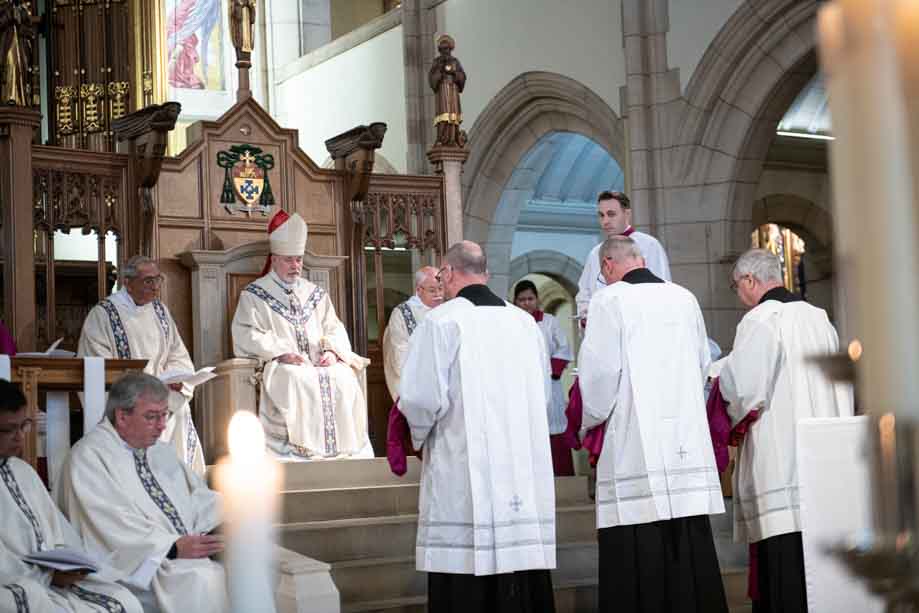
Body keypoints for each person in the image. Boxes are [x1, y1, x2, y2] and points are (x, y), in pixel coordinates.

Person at [399, 241, 557, 612]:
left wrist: (418, 436)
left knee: (467, 565)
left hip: (462, 465)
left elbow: (421, 399)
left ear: (449, 273)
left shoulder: (440, 321)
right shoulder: (524, 323)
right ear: (485, 273)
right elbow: (543, 395)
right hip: (521, 469)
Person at [578, 236, 728, 613]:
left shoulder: (608, 300)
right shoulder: (684, 298)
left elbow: (598, 377)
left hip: (633, 442)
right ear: (640, 259)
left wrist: (589, 422)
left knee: (637, 530)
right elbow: (701, 365)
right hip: (684, 439)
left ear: (608, 266)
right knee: (686, 537)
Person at [719, 248, 853, 613]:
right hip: (822, 461)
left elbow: (743, 391)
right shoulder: (819, 318)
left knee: (784, 570)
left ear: (750, 281)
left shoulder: (760, 319)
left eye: (736, 287)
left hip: (780, 464)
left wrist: (718, 384)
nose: (739, 296)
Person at [57, 373, 227, 613]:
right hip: (133, 567)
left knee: (251, 564)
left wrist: (226, 515)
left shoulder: (160, 451)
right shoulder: (88, 457)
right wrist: (173, 547)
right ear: (122, 417)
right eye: (151, 417)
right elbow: (110, 525)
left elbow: (196, 497)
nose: (162, 425)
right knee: (202, 579)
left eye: (164, 415)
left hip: (181, 552)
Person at [232, 210, 372, 460]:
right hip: (285, 364)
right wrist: (281, 352)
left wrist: (331, 351)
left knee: (344, 377)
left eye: (298, 259)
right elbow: (246, 332)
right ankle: (300, 452)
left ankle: (345, 452)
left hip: (319, 362)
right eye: (289, 260)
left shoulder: (315, 293)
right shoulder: (254, 295)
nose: (296, 266)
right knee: (295, 378)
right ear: (274, 260)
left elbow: (334, 327)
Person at [0, 379, 143, 613]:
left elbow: (58, 531)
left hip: (48, 577)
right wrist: (47, 575)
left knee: (125, 600)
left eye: (23, 426)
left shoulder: (22, 471)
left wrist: (71, 564)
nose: (19, 437)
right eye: (8, 430)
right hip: (18, 583)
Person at [78, 255, 205, 475]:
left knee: (179, 409)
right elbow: (98, 364)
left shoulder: (160, 311)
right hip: (129, 396)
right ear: (127, 282)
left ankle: (176, 482)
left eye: (158, 279)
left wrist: (175, 379)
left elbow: (178, 354)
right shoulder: (104, 314)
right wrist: (143, 389)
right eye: (148, 281)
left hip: (163, 391)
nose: (155, 287)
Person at [576, 190, 671, 321]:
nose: (605, 221)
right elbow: (584, 293)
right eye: (601, 215)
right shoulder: (595, 253)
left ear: (627, 214)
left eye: (611, 214)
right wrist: (586, 317)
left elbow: (661, 288)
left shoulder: (649, 245)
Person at [513, 280, 574, 476]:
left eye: (530, 298)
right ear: (515, 301)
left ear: (537, 299)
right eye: (522, 299)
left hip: (549, 383)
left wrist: (552, 372)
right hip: (522, 385)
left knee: (553, 427)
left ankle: (561, 477)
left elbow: (563, 348)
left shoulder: (549, 321)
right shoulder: (511, 322)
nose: (527, 303)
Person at [382, 266, 443, 400]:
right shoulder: (403, 314)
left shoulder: (447, 311)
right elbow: (399, 354)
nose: (438, 294)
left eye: (440, 288)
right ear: (419, 290)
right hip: (416, 386)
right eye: (432, 290)